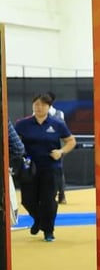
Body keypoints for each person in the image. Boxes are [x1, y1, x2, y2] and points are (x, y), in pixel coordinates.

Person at [14, 94, 75, 242]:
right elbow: (14, 142)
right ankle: (39, 220)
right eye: (36, 104)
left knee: (48, 200)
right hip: (29, 167)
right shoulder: (22, 124)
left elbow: (71, 141)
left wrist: (61, 152)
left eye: (42, 105)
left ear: (49, 107)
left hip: (50, 167)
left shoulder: (57, 123)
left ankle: (48, 231)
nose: (39, 107)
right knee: (27, 200)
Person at [44, 93, 68, 205]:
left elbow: (63, 130)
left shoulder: (59, 114)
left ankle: (62, 195)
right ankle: (48, 196)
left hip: (57, 147)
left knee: (59, 170)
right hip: (43, 146)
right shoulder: (37, 113)